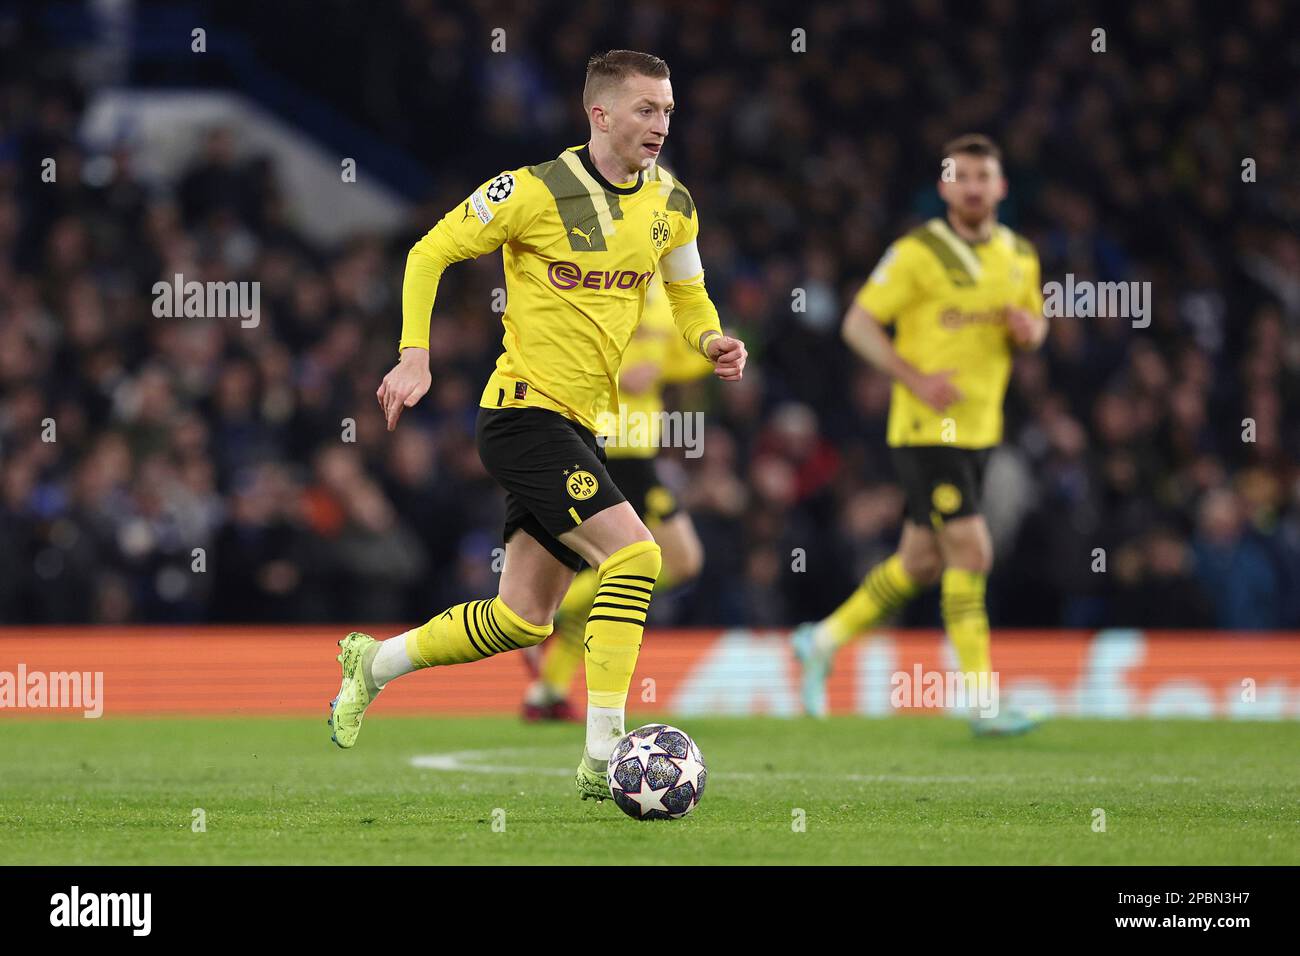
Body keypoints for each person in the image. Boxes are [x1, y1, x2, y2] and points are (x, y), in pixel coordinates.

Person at [328, 50, 747, 801]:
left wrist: (708, 340)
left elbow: (690, 295)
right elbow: (431, 251)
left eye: (669, 110)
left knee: (524, 618)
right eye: (647, 109)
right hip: (523, 414)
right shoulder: (533, 191)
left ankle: (373, 663)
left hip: (582, 428)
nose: (662, 124)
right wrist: (414, 354)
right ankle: (604, 756)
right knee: (639, 556)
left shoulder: (673, 203)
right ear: (601, 114)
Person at [792, 134, 1045, 736]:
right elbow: (857, 323)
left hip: (981, 431)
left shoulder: (1020, 255)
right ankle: (981, 702)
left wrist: (1028, 331)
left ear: (1001, 187)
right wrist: (913, 376)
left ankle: (822, 639)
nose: (975, 187)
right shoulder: (917, 252)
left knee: (920, 562)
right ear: (945, 187)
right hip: (925, 430)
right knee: (973, 551)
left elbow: (1034, 331)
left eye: (985, 177)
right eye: (964, 177)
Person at [520, 273, 713, 720]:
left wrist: (704, 352)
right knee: (679, 559)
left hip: (639, 444)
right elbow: (572, 352)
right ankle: (546, 615)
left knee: (613, 571)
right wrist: (624, 373)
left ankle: (547, 692)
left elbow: (671, 360)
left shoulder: (666, 295)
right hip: (613, 442)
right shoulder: (605, 282)